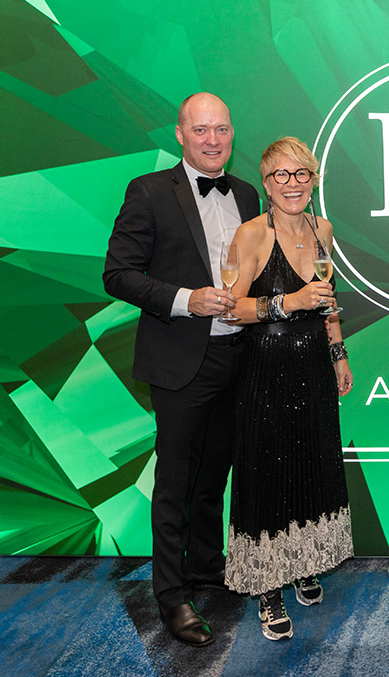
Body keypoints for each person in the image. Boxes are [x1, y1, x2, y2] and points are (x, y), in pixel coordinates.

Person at [103, 92, 260, 646]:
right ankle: (172, 596)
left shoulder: (247, 193)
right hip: (179, 359)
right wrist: (184, 299)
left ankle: (208, 566)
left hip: (238, 357)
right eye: (201, 130)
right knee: (174, 483)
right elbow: (118, 273)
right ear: (180, 134)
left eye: (222, 129)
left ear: (232, 133)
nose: (212, 140)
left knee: (214, 475)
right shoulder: (149, 191)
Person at [222, 136, 354, 641]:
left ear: (314, 181)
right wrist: (288, 302)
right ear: (266, 182)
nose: (292, 184)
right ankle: (268, 587)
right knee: (268, 473)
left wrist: (338, 353)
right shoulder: (252, 235)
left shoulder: (324, 230)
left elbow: (327, 299)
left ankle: (302, 563)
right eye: (281, 174)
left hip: (314, 367)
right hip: (266, 370)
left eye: (302, 174)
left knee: (310, 465)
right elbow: (232, 309)